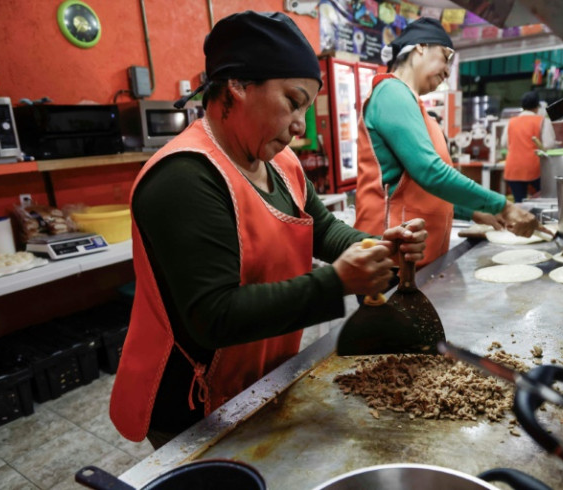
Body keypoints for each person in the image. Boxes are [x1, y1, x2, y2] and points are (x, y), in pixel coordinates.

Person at [109, 11, 428, 449]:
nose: (300, 125)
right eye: (292, 101)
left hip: (258, 376)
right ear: (238, 86)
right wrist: (336, 282)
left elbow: (325, 230)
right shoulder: (184, 177)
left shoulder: (280, 164)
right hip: (193, 402)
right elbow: (214, 316)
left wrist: (376, 247)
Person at [354, 18, 544, 268]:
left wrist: (473, 212)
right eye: (445, 56)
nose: (447, 71)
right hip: (390, 256)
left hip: (418, 255)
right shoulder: (391, 92)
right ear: (420, 47)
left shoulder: (417, 108)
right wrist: (504, 207)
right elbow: (430, 172)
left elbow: (422, 191)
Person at [501, 91, 557, 202]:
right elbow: (549, 144)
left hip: (513, 168)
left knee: (519, 203)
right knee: (546, 199)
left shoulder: (511, 122)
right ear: (537, 107)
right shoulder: (542, 121)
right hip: (534, 168)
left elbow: (504, 144)